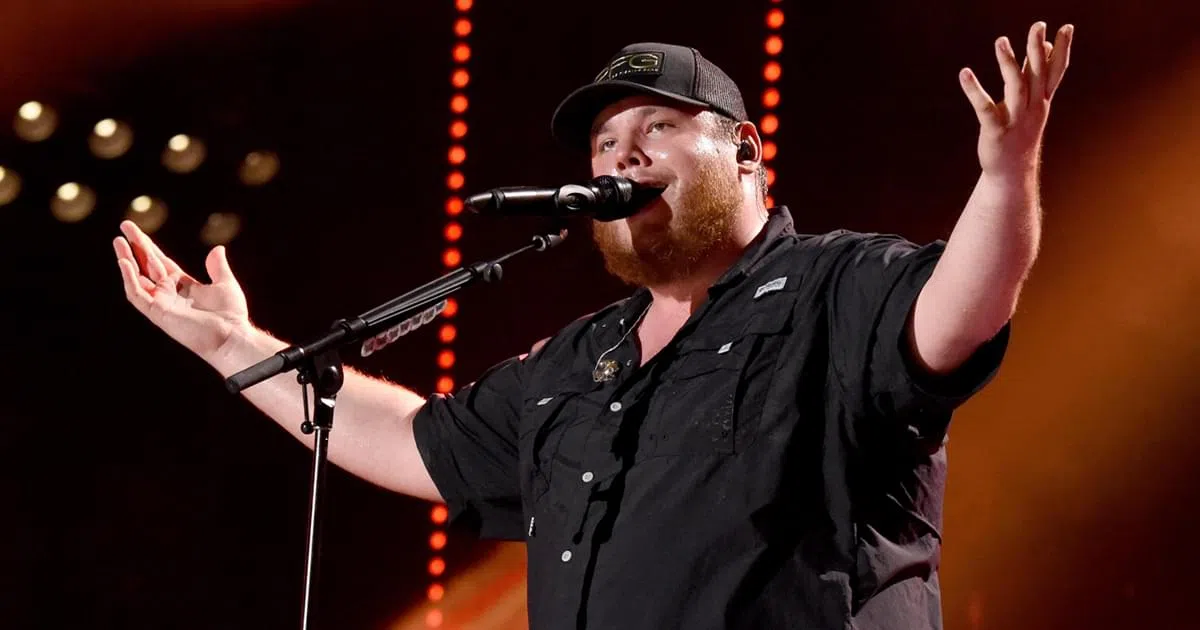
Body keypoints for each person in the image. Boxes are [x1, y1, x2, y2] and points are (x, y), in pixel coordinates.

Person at [114, 22, 1073, 630]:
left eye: (656, 128)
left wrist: (1006, 175)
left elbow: (961, 308)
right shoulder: (584, 357)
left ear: (744, 151)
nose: (621, 155)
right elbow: (409, 441)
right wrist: (235, 344)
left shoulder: (835, 285)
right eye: (605, 142)